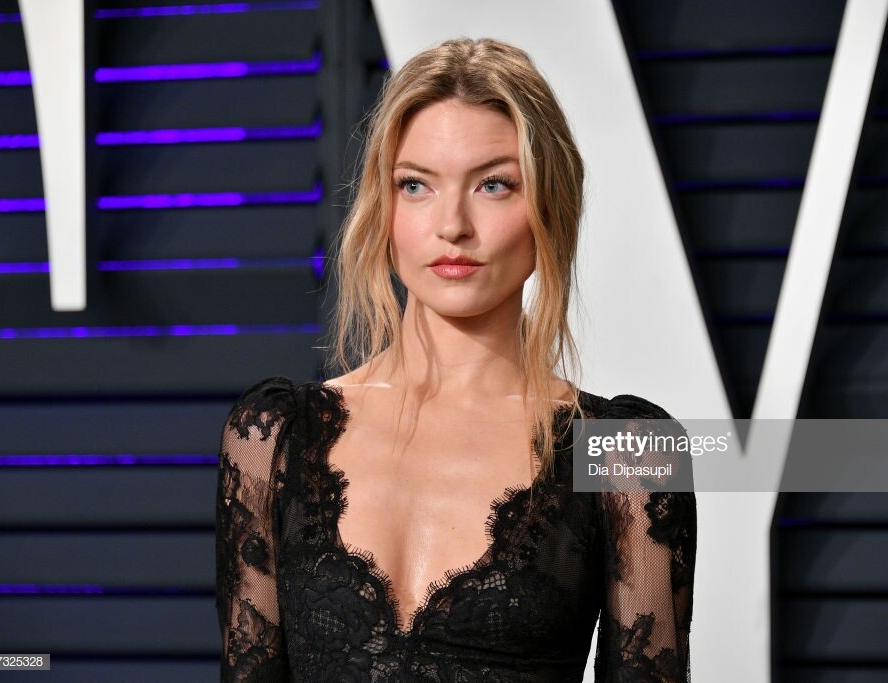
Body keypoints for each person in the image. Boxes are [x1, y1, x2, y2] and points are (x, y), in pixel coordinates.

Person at [216, 37, 696, 682]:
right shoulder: (273, 436)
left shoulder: (627, 454)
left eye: (494, 185)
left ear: (549, 206)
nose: (452, 225)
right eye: (416, 185)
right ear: (383, 208)